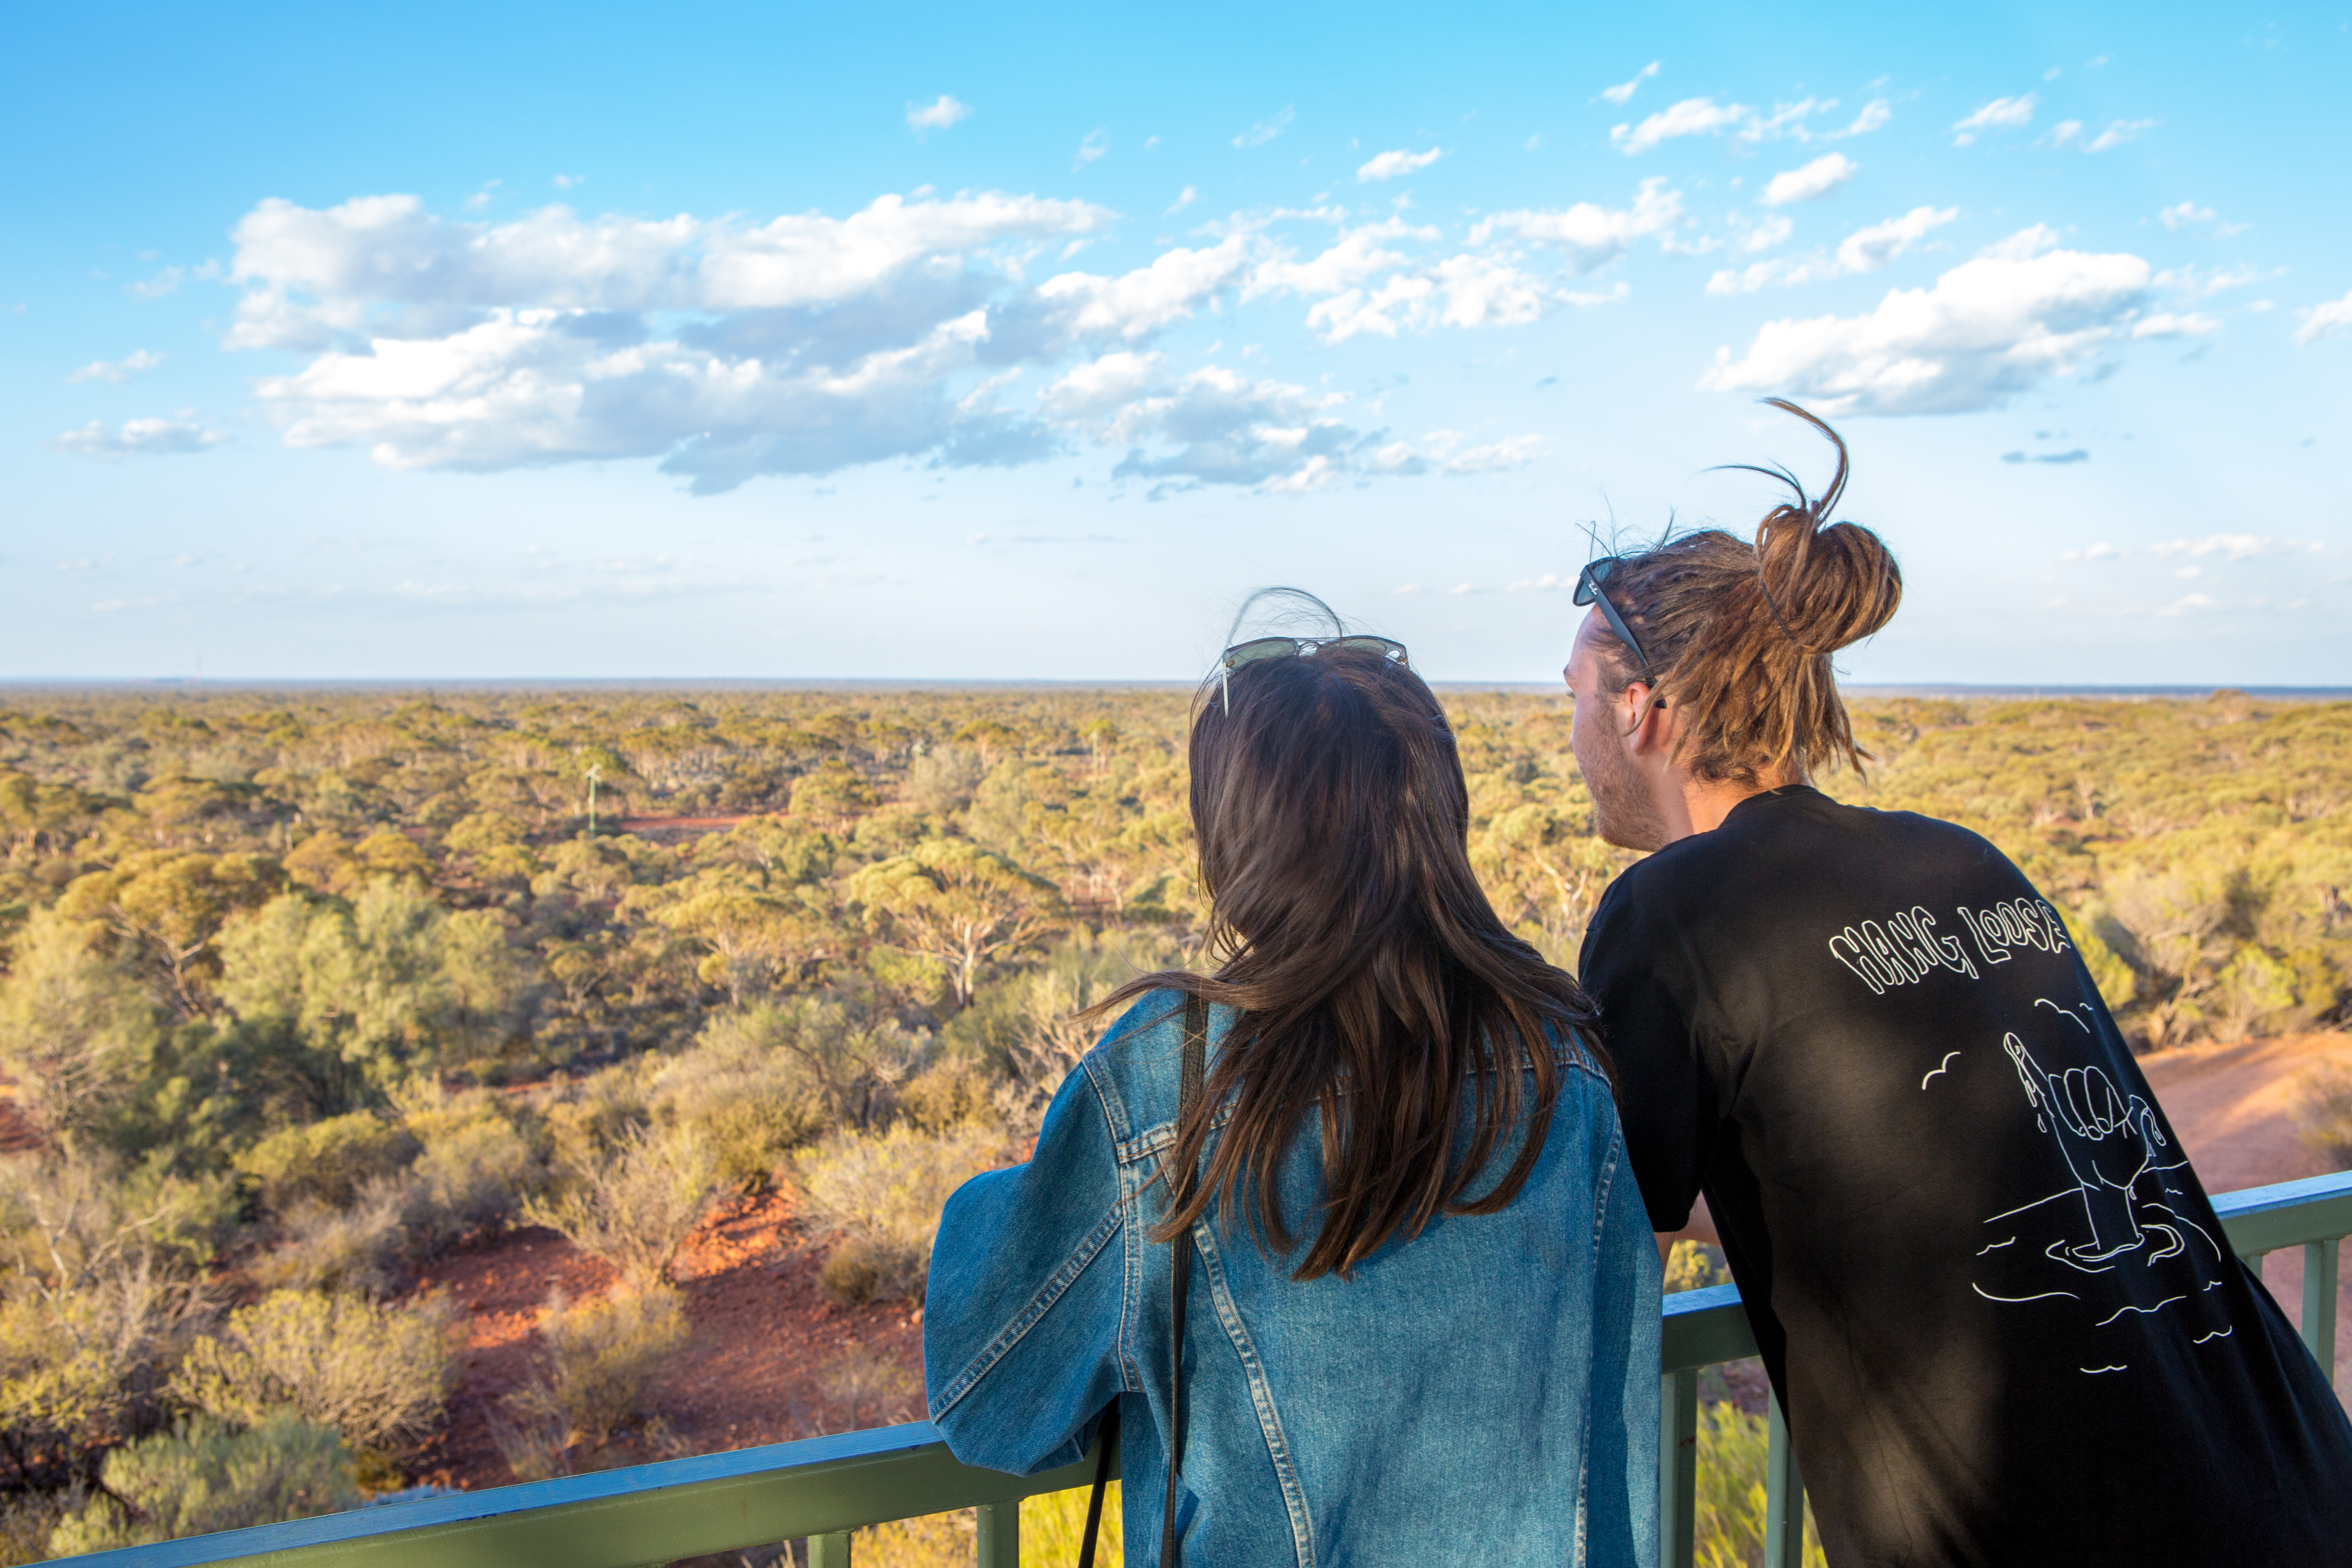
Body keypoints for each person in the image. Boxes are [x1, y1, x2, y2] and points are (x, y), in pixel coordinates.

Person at [1566, 402, 2352, 1566]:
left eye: (1573, 696)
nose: (1569, 732)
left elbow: (1608, 1201)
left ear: (1640, 711)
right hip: (2292, 1471)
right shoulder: (1964, 861)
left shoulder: (1671, 912)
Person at [925, 609, 1662, 1568]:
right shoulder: (1565, 1060)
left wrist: (1007, 1205)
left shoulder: (1170, 1080)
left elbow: (989, 1399)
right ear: (1440, 816)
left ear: (1238, 839)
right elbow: (1615, 1415)